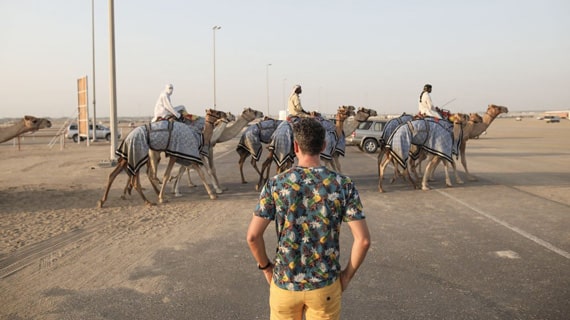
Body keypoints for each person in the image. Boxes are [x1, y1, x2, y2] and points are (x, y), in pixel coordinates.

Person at [246, 117, 371, 320]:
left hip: (285, 285)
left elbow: (252, 236)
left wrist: (267, 268)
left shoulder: (276, 184)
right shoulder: (343, 184)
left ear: (295, 146)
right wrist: (346, 276)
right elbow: (363, 240)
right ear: (324, 145)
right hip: (325, 288)